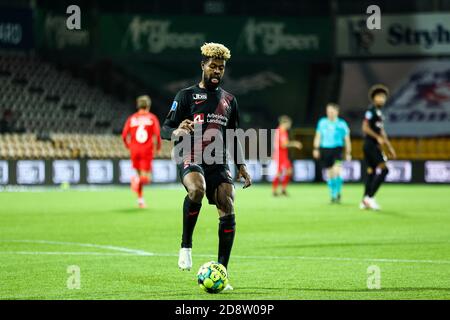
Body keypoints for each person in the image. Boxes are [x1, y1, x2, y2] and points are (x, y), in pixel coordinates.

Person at [161, 43, 252, 290]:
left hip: (218, 159)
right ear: (203, 66)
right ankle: (186, 245)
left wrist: (241, 165)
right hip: (189, 152)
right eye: (213, 66)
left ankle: (223, 272)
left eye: (221, 68)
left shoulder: (230, 100)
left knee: (228, 202)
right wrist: (177, 130)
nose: (217, 71)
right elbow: (165, 129)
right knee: (196, 189)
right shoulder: (186, 96)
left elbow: (233, 135)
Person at [360, 84, 397, 211]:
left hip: (371, 145)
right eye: (379, 96)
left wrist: (390, 147)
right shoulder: (371, 111)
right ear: (374, 98)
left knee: (371, 172)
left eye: (383, 97)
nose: (382, 99)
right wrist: (377, 137)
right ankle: (370, 198)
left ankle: (364, 199)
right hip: (370, 145)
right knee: (384, 170)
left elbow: (382, 132)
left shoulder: (379, 113)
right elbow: (365, 128)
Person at [122, 95, 161, 208]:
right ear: (148, 105)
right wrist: (157, 148)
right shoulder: (152, 118)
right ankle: (135, 181)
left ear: (137, 106)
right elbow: (157, 135)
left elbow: (124, 135)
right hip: (146, 150)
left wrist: (128, 146)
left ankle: (140, 200)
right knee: (146, 179)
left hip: (134, 150)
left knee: (140, 177)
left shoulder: (132, 118)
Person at [313, 103, 352, 203]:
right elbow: (318, 136)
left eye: (331, 111)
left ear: (336, 112)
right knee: (330, 173)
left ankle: (337, 193)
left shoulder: (342, 124)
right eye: (328, 111)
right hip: (325, 150)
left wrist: (348, 152)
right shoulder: (322, 122)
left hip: (337, 149)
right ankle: (333, 194)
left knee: (337, 171)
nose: (329, 113)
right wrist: (316, 148)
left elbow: (347, 139)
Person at [272, 115, 302, 196]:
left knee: (289, 171)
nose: (289, 125)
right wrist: (295, 143)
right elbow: (283, 144)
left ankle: (283, 189)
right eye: (289, 124)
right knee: (279, 173)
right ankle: (274, 191)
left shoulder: (281, 130)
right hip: (279, 155)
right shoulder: (281, 131)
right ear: (284, 123)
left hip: (283, 155)